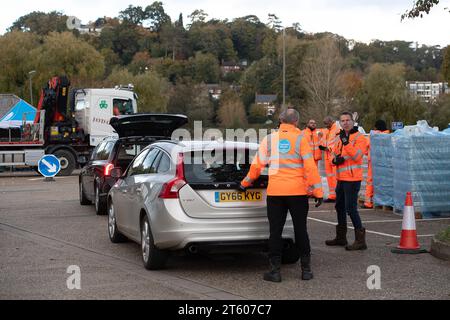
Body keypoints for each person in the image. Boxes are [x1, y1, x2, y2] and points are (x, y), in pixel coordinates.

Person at [239, 109, 323, 282]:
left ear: (280, 120)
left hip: (276, 193)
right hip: (297, 192)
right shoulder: (301, 138)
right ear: (297, 122)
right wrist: (318, 191)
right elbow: (310, 167)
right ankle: (306, 270)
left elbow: (256, 166)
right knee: (301, 231)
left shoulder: (269, 139)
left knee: (275, 232)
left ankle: (275, 271)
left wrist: (244, 183)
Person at [326, 111, 368, 250]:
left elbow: (357, 156)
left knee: (351, 209)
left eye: (348, 120)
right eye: (342, 120)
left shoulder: (360, 138)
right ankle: (341, 237)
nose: (345, 122)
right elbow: (333, 155)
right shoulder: (339, 137)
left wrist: (346, 142)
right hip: (341, 178)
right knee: (339, 207)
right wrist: (334, 160)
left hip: (352, 179)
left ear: (352, 121)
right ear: (340, 122)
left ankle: (360, 241)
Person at [363, 120, 390, 208]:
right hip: (385, 163)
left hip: (373, 162)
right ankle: (382, 201)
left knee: (370, 181)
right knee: (383, 181)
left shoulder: (373, 135)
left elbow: (365, 147)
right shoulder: (388, 135)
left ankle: (368, 202)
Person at [318, 116, 340, 202]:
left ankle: (338, 195)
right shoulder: (327, 131)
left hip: (334, 156)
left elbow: (337, 143)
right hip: (327, 156)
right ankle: (332, 195)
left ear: (331, 122)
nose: (326, 125)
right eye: (325, 124)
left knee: (335, 177)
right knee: (329, 177)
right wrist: (322, 145)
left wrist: (329, 149)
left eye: (327, 124)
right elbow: (324, 142)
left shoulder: (337, 129)